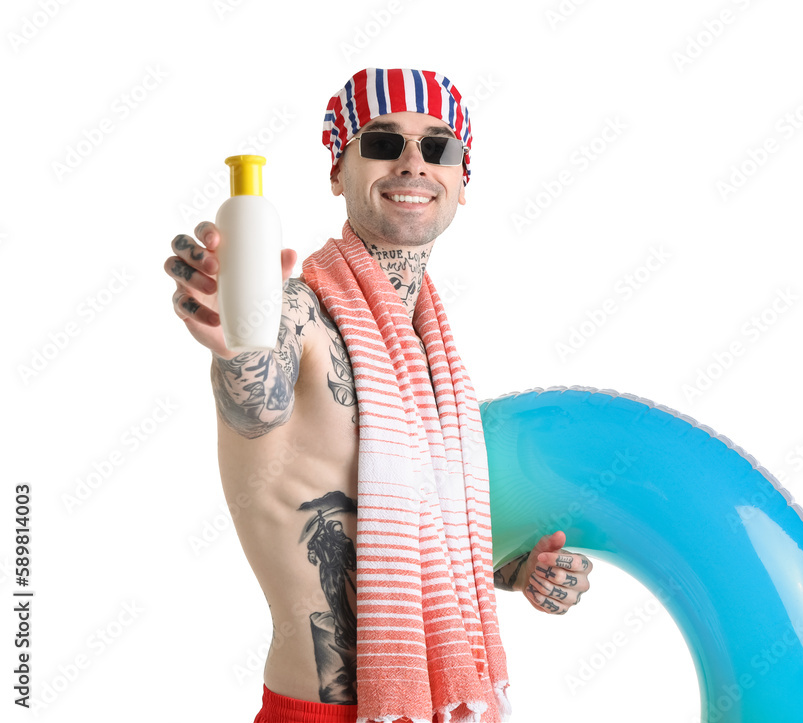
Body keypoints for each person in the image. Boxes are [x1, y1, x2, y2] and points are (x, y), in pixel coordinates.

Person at [164, 68, 593, 723]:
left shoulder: (429, 352)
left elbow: (416, 536)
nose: (414, 161)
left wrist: (516, 571)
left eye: (439, 147)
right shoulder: (296, 314)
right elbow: (258, 397)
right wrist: (236, 346)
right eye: (384, 143)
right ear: (339, 171)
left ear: (461, 181)